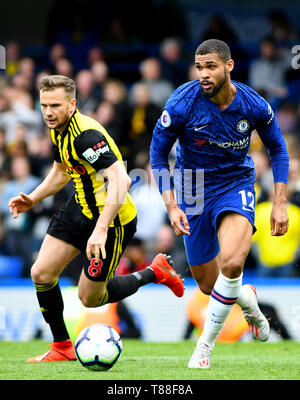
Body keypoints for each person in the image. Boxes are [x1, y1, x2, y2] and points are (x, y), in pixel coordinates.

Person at [8, 75, 184, 363]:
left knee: (90, 298)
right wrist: (33, 197)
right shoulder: (57, 129)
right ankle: (62, 346)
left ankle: (155, 271)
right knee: (40, 273)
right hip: (79, 208)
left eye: (55, 105)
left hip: (112, 220)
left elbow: (121, 181)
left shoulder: (86, 136)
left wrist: (100, 230)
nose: (48, 112)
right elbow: (62, 170)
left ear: (72, 104)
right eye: (43, 105)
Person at [150, 39, 289, 369]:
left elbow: (279, 151)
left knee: (231, 264)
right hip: (192, 185)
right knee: (209, 284)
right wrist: (171, 205)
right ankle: (249, 301)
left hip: (235, 182)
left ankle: (204, 347)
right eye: (199, 67)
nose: (203, 74)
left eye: (210, 66)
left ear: (229, 66)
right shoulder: (181, 103)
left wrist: (280, 202)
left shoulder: (253, 105)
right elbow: (156, 155)